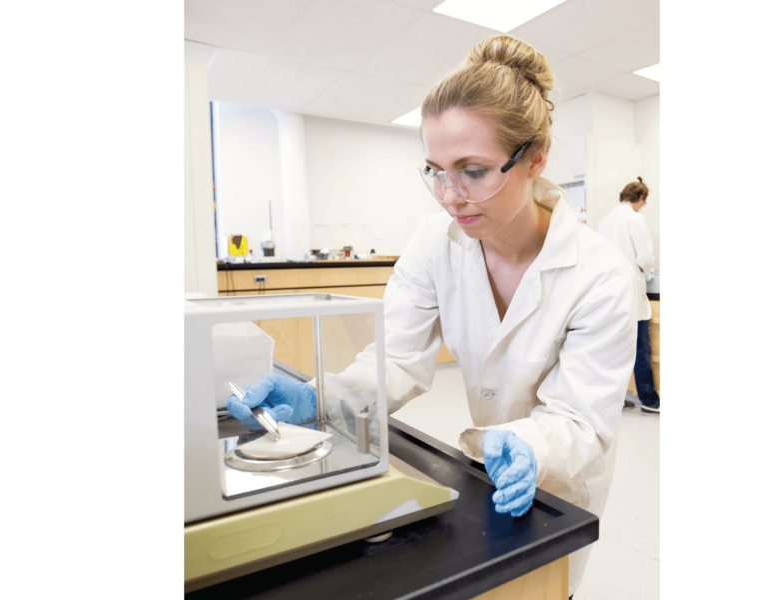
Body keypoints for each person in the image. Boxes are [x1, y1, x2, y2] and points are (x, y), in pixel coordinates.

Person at [228, 35, 637, 599]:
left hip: (558, 485)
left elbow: (579, 419)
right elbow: (398, 356)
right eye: (436, 171)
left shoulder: (602, 275)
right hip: (484, 477)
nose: (449, 196)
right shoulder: (434, 241)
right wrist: (319, 395)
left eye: (472, 170)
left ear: (535, 158)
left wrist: (532, 448)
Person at [598, 179, 661, 416]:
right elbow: (645, 257)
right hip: (631, 292)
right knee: (640, 349)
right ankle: (649, 400)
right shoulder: (635, 218)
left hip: (609, 294)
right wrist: (646, 274)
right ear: (641, 199)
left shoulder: (606, 220)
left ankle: (616, 400)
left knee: (613, 350)